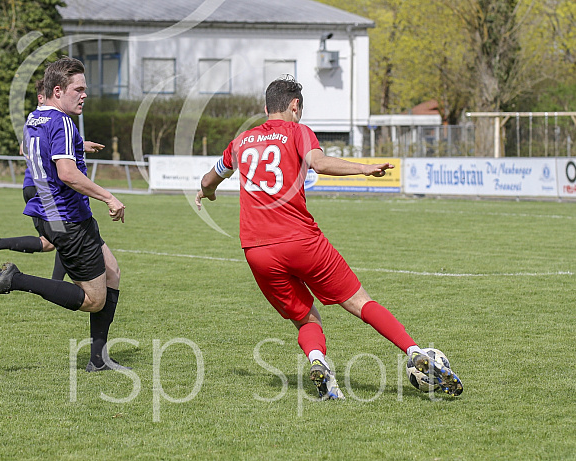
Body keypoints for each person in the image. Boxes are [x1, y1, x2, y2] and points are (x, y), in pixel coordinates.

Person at [195, 76, 463, 399]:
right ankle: (414, 350)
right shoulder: (298, 132)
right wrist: (364, 170)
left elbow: (210, 179)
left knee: (304, 315)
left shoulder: (241, 142)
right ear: (295, 106)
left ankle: (319, 362)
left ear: (266, 108)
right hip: (300, 240)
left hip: (256, 250)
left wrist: (206, 194)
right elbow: (318, 163)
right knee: (361, 302)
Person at [0, 57, 128, 373]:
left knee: (112, 272)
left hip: (56, 215)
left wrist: (76, 144)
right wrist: (108, 196)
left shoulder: (35, 118)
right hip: (69, 219)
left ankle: (98, 361)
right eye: (79, 89)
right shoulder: (62, 122)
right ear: (58, 91)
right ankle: (15, 279)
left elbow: (33, 150)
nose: (84, 95)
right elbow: (68, 174)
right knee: (93, 300)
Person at [0, 79, 105, 282]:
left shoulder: (34, 119)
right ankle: (49, 283)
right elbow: (27, 149)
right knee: (62, 237)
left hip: (35, 187)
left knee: (51, 241)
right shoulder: (52, 119)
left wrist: (79, 145)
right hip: (43, 189)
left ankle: (0, 245)